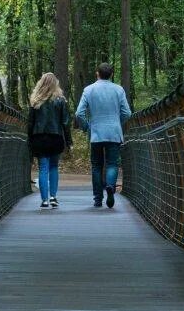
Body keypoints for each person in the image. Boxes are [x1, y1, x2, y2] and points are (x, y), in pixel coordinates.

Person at [75, 62, 132, 208]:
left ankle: (97, 199)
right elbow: (127, 113)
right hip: (114, 132)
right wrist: (116, 123)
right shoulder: (118, 90)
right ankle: (111, 187)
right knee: (112, 163)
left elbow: (79, 114)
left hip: (96, 134)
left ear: (97, 73)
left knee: (96, 166)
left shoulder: (88, 90)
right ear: (111, 74)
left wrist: (87, 126)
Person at [27, 73, 72, 209]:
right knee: (53, 167)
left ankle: (44, 200)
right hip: (55, 137)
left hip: (39, 137)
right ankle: (53, 197)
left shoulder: (35, 101)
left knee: (43, 168)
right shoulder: (60, 100)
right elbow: (65, 122)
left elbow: (30, 123)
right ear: (55, 84)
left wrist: (29, 138)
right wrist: (69, 141)